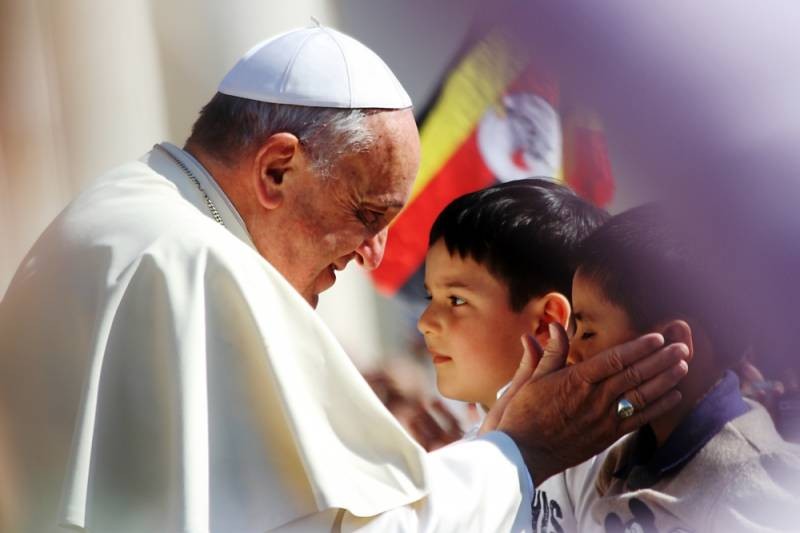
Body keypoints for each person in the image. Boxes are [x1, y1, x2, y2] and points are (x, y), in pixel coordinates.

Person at [0, 24, 688, 532]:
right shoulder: (199, 266)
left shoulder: (127, 210)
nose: (373, 253)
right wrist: (520, 451)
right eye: (366, 212)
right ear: (276, 170)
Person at [542, 204, 800, 532]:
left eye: (588, 332)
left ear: (671, 342)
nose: (571, 355)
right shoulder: (621, 460)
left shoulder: (752, 482)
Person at [417, 178, 607, 419]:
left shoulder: (599, 452)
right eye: (429, 296)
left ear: (547, 323)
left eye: (456, 300)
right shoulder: (483, 443)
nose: (424, 323)